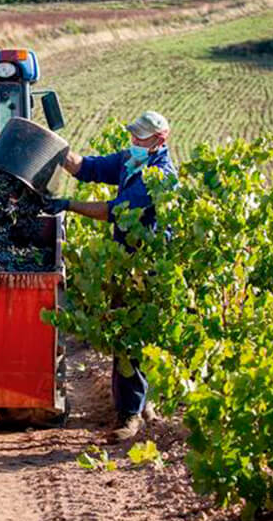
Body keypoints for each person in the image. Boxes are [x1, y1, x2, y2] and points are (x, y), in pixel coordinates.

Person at [46, 111, 177, 443]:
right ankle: (142, 404)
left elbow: (114, 211)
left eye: (140, 138)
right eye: (133, 136)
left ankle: (130, 415)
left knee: (129, 337)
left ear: (159, 141)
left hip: (144, 267)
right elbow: (87, 168)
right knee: (128, 335)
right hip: (124, 262)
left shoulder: (160, 176)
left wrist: (67, 204)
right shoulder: (129, 162)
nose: (133, 142)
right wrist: (56, 150)